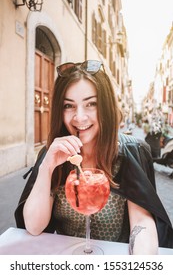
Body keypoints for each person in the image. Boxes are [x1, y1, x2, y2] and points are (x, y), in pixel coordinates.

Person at [15, 60, 173, 254]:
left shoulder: (130, 152)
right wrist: (47, 166)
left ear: (105, 107)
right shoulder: (54, 153)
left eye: (91, 104)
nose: (79, 117)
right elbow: (33, 226)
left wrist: (140, 265)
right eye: (68, 105)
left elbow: (141, 223)